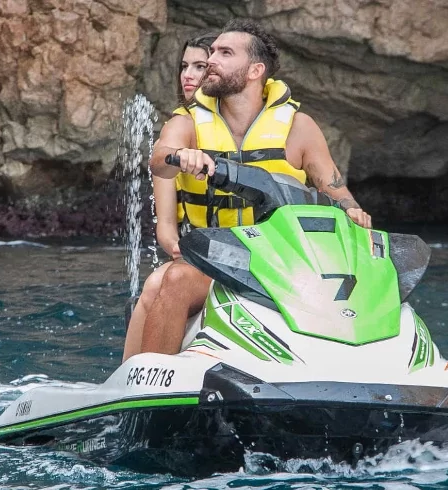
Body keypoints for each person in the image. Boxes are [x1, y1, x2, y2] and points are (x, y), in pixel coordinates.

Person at [137, 18, 373, 356]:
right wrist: (180, 155)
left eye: (225, 53)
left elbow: (340, 196)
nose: (212, 60)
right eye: (213, 51)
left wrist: (354, 213)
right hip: (217, 258)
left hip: (286, 261)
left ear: (254, 70)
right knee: (173, 280)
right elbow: (159, 160)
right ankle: (150, 383)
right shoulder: (186, 123)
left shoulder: (299, 128)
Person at [122, 33, 217, 361]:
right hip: (198, 257)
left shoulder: (252, 131)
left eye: (199, 66)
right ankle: (129, 381)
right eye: (184, 66)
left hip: (253, 257)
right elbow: (165, 227)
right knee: (153, 285)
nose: (188, 75)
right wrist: (182, 250)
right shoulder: (176, 132)